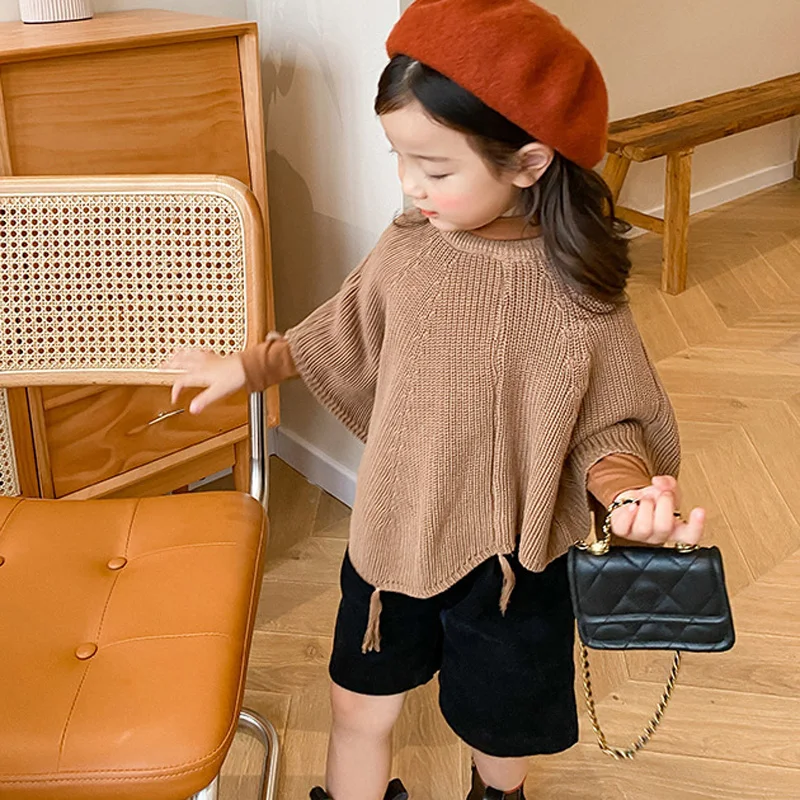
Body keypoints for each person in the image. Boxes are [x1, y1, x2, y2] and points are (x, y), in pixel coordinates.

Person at [164, 2, 706, 798]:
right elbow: (338, 330)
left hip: (513, 565)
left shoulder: (579, 297)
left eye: (436, 169)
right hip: (394, 539)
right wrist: (247, 367)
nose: (410, 184)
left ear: (528, 162)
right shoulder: (409, 248)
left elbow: (608, 426)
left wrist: (627, 496)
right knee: (358, 709)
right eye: (399, 157)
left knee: (501, 732)